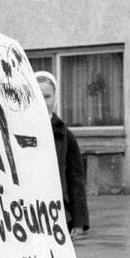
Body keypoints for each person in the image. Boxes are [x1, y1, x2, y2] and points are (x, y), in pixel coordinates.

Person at [34, 71, 90, 236]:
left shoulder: (65, 135)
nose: (42, 102)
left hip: (59, 211)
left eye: (47, 96)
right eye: (37, 96)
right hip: (28, 211)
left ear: (55, 98)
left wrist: (80, 222)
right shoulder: (17, 131)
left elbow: (76, 180)